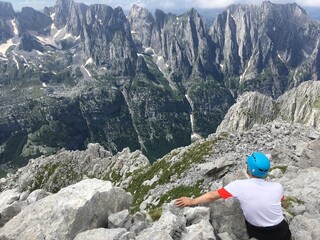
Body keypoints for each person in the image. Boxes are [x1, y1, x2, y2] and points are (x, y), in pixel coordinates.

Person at [175, 152, 292, 240]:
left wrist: (192, 201)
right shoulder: (277, 187)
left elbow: (212, 196)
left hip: (260, 233)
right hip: (282, 231)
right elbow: (280, 200)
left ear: (250, 169)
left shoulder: (239, 186)